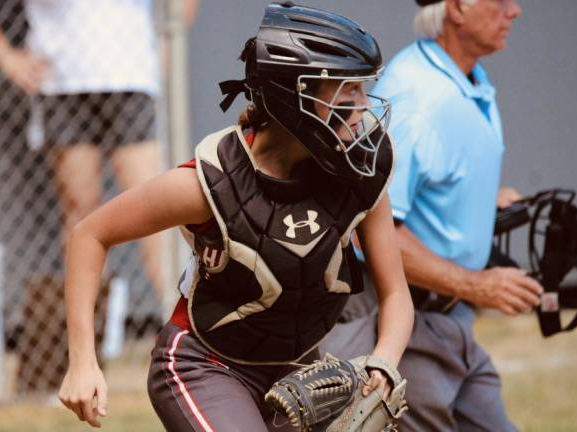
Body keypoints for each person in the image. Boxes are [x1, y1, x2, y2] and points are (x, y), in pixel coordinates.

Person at [55, 3, 414, 430]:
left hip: (299, 374)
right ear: (291, 96)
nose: (361, 110)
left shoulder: (360, 171)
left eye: (362, 91)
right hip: (205, 363)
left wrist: (384, 365)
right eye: (345, 94)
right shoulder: (211, 182)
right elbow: (89, 234)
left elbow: (395, 295)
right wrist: (82, 361)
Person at [321, 0, 544, 430]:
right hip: (410, 324)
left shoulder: (464, 77)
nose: (514, 11)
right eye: (500, 1)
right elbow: (374, 230)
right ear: (458, 7)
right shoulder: (421, 101)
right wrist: (475, 284)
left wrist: (478, 199)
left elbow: (425, 178)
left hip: (447, 318)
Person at [0, 0, 199, 320]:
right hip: (62, 80)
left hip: (131, 76)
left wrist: (169, 44)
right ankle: (86, 343)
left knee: (157, 209)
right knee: (82, 215)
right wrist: (5, 57)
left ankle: (182, 326)